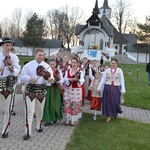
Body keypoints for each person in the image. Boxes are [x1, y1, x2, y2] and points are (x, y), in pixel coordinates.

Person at [20, 48, 53, 140]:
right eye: (40, 55)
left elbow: (51, 78)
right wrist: (29, 78)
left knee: (40, 110)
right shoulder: (28, 65)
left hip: (42, 90)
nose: (41, 57)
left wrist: (50, 80)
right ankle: (27, 131)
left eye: (43, 55)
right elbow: (22, 77)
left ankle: (39, 125)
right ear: (35, 55)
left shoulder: (47, 66)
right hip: (30, 90)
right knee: (30, 111)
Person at [0, 37, 20, 138]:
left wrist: (11, 69)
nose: (9, 47)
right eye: (7, 45)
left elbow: (17, 71)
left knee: (6, 108)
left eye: (10, 45)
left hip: (7, 84)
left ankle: (5, 129)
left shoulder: (14, 57)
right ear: (2, 45)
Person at [97, 58, 126, 123]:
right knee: (108, 102)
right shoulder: (107, 70)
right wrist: (99, 88)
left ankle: (115, 112)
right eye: (112, 63)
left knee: (116, 101)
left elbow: (122, 80)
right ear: (110, 63)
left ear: (116, 64)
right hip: (108, 87)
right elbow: (103, 80)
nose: (113, 64)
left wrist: (123, 89)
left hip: (116, 87)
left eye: (114, 63)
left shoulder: (119, 70)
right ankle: (108, 116)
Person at [63, 57, 84, 126]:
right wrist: (70, 79)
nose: (74, 64)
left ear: (78, 63)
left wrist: (77, 80)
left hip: (76, 90)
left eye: (75, 62)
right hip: (68, 89)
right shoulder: (68, 70)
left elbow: (82, 80)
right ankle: (67, 119)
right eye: (73, 62)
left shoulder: (80, 71)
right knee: (68, 104)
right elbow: (65, 79)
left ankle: (73, 120)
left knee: (74, 105)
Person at [43, 59, 64, 126]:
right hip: (49, 88)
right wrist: (48, 81)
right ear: (49, 64)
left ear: (56, 64)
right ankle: (48, 119)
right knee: (48, 103)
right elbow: (44, 80)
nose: (52, 65)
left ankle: (55, 117)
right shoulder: (46, 72)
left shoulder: (58, 71)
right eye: (51, 64)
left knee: (56, 103)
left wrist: (58, 82)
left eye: (53, 64)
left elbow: (62, 79)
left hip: (56, 89)